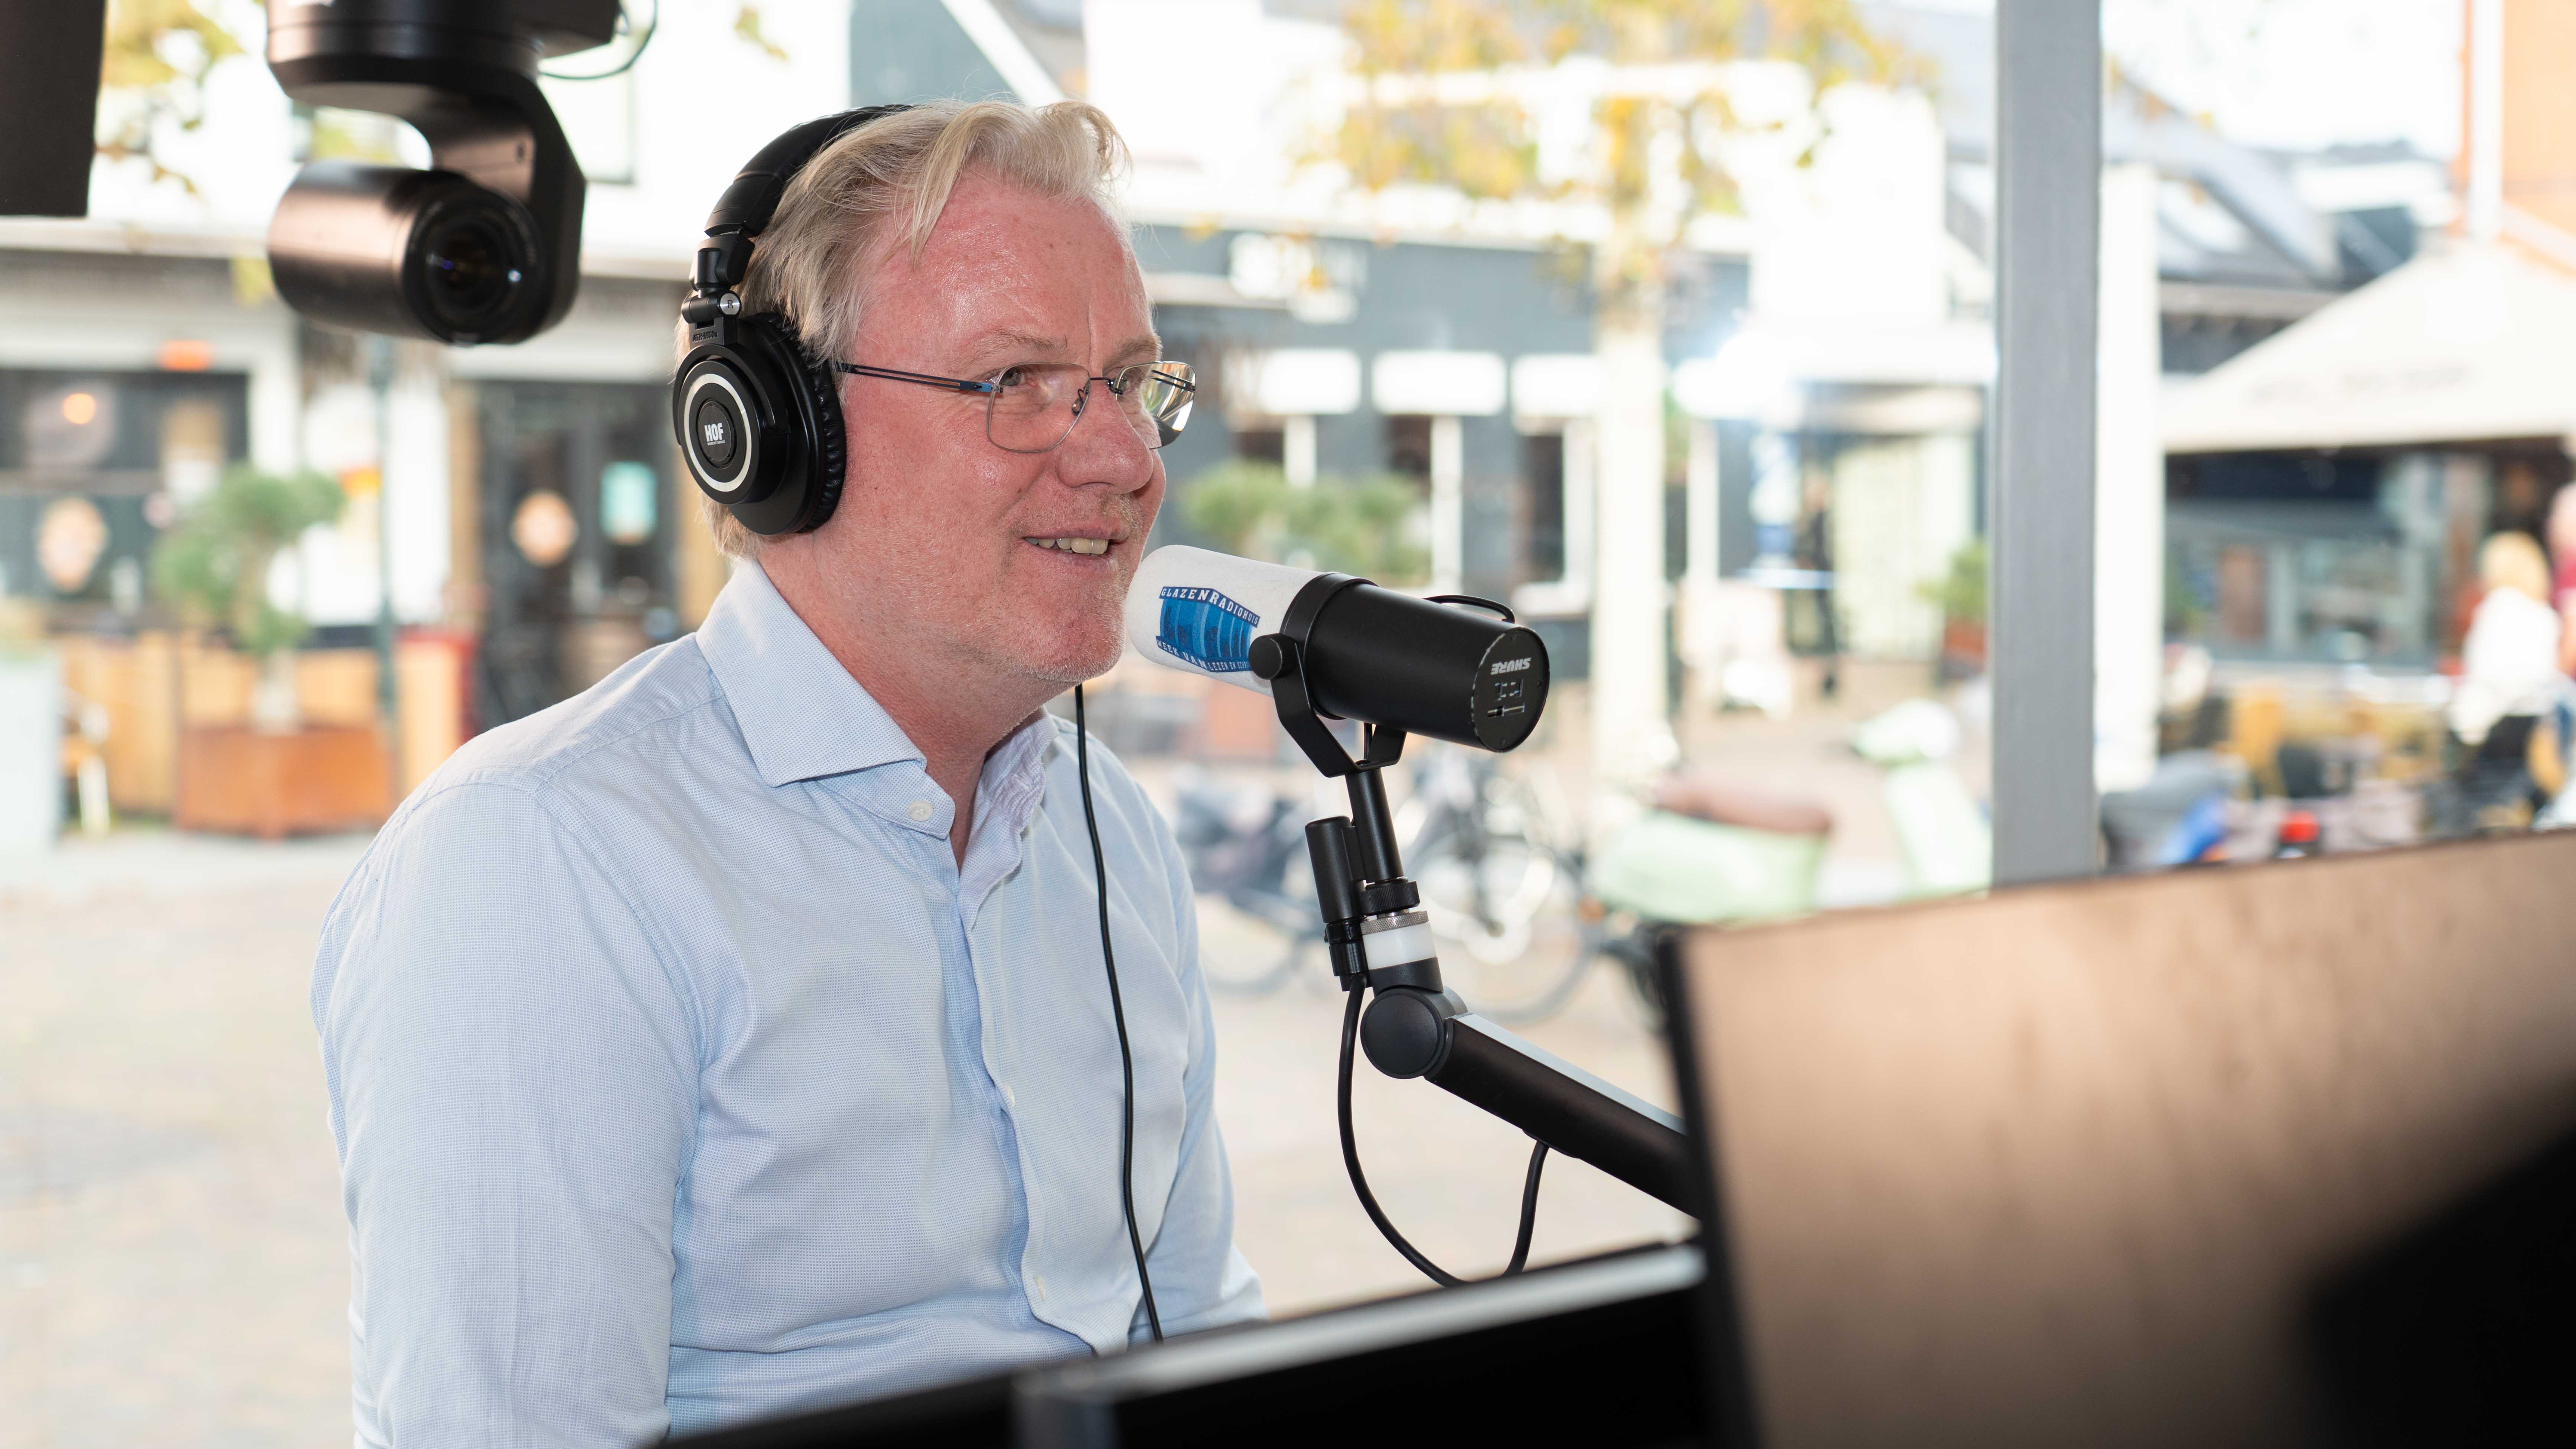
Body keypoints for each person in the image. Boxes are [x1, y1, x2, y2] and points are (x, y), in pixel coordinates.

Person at [310, 100, 1262, 1447]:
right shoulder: (541, 860)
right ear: (768, 431)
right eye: (1019, 383)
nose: (1124, 459)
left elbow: (1202, 1338)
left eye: (1132, 383)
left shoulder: (1106, 828)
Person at [2443, 530, 2564, 828]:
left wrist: (2461, 733)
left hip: (2492, 740)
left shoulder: (2497, 609)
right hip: (2525, 736)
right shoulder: (2544, 615)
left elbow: (2487, 685)